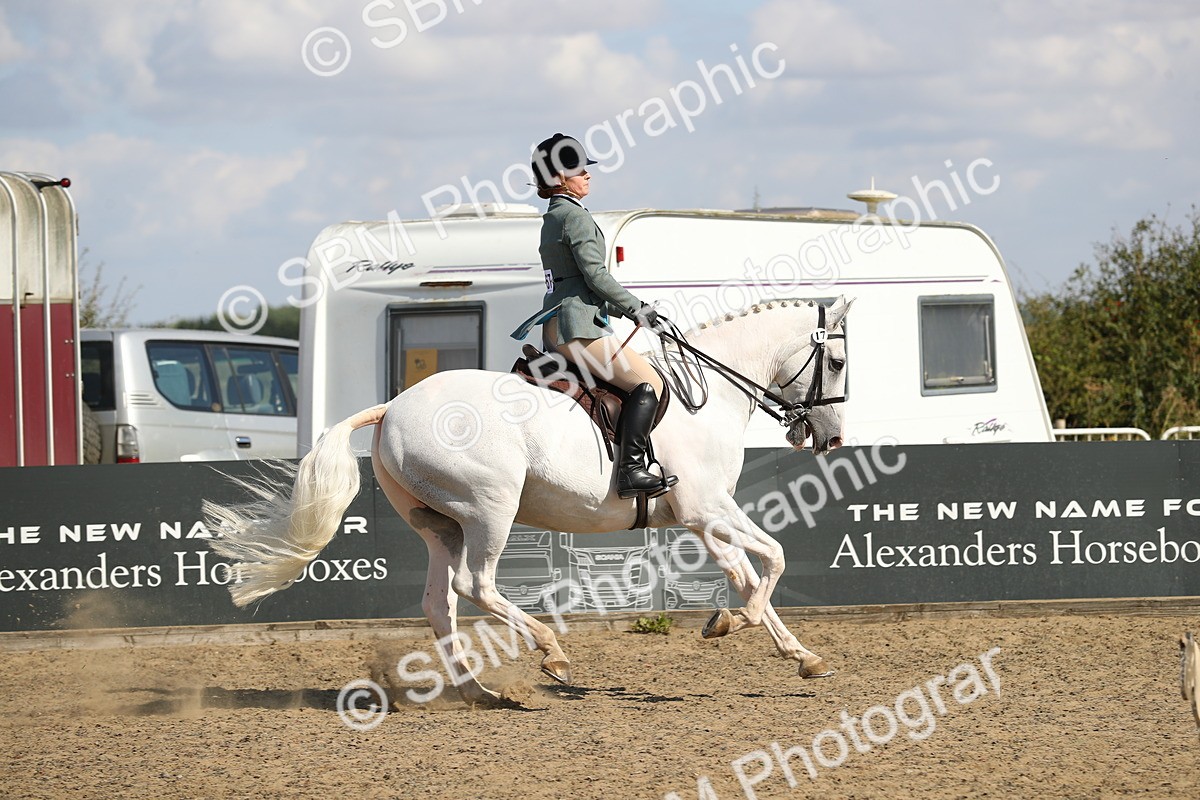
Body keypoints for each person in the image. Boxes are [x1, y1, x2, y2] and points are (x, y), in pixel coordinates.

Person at [511, 133, 677, 500]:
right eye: (578, 169)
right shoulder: (574, 217)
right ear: (558, 178)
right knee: (648, 385)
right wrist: (639, 310)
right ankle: (631, 470)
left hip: (556, 326)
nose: (587, 175)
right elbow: (596, 277)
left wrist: (625, 311)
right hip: (578, 327)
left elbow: (576, 282)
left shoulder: (554, 216)